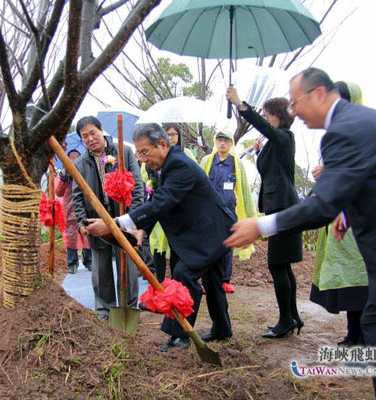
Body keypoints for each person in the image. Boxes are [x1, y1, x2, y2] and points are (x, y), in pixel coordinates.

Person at [224, 67, 376, 399]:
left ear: (319, 94)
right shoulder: (364, 121)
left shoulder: (343, 131)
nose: (294, 111)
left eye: (295, 102)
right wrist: (349, 212)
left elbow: (322, 206)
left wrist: (261, 225)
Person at [85, 123, 235, 352]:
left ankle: (180, 335)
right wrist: (141, 230)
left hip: (212, 230)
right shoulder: (160, 166)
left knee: (184, 274)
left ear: (162, 144)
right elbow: (157, 202)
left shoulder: (180, 165)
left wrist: (114, 224)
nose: (143, 158)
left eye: (146, 152)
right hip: (203, 230)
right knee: (213, 281)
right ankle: (222, 329)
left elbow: (162, 202)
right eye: (139, 153)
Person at [226, 88, 303, 339]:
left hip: (283, 208)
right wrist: (260, 152)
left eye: (268, 114)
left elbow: (267, 129)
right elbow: (273, 168)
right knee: (283, 266)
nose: (266, 118)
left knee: (277, 265)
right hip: (278, 207)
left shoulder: (285, 136)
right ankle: (292, 317)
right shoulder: (277, 141)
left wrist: (241, 105)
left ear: (279, 116)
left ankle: (285, 320)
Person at [310, 81, 369, 347]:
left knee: (360, 280)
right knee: (348, 282)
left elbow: (362, 175)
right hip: (341, 220)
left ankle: (365, 337)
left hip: (361, 220)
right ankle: (353, 334)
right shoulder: (340, 134)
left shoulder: (365, 133)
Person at [71, 116, 144, 321]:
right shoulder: (81, 163)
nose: (90, 138)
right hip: (96, 220)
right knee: (100, 268)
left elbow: (137, 185)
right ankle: (104, 310)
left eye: (93, 133)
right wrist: (81, 223)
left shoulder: (123, 152)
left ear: (101, 131)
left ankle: (130, 307)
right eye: (84, 136)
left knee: (128, 267)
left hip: (124, 218)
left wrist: (134, 217)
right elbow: (77, 196)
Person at [200, 129, 256, 293]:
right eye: (219, 140)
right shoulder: (207, 161)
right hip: (209, 211)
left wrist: (250, 214)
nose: (222, 143)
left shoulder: (236, 163)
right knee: (208, 245)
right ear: (216, 142)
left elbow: (244, 189)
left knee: (227, 245)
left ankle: (225, 280)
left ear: (231, 143)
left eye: (226, 140)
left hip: (229, 211)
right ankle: (206, 280)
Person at [141, 123, 196, 282]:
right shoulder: (152, 158)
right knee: (158, 248)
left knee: (177, 248)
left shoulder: (186, 155)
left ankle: (177, 286)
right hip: (159, 208)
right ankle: (158, 284)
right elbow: (146, 181)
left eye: (173, 134)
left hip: (180, 210)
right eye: (167, 134)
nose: (170, 137)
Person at [55, 148, 91, 274]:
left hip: (85, 206)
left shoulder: (86, 171)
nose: (74, 159)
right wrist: (63, 177)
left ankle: (89, 261)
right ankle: (72, 263)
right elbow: (58, 192)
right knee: (70, 236)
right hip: (69, 208)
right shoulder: (64, 173)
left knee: (87, 233)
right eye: (71, 156)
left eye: (77, 156)